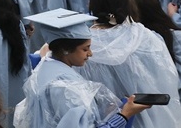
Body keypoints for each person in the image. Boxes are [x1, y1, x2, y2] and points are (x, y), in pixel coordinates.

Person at [14, 8, 151, 128]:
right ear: (65, 50)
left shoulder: (44, 68)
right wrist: (125, 114)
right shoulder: (67, 87)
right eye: (85, 49)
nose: (90, 54)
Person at [75, 0, 181, 127]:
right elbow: (166, 78)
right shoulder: (146, 37)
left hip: (106, 121)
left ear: (92, 5)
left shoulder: (83, 45)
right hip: (149, 117)